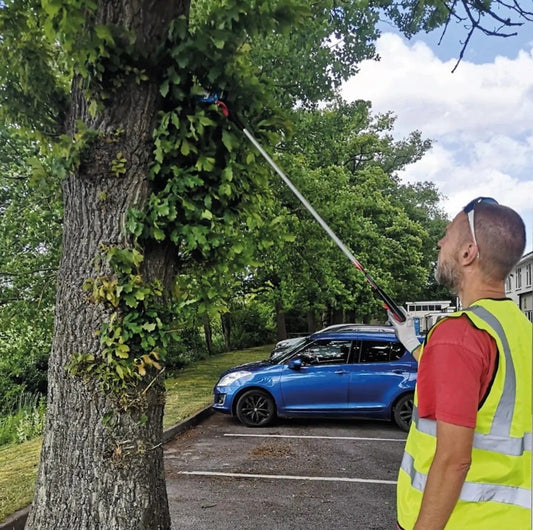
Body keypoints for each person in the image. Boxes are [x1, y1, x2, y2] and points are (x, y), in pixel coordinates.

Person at [389, 197, 532, 530]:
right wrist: (412, 343)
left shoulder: (459, 333)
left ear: (468, 252)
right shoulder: (520, 330)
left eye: (448, 234)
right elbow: (476, 385)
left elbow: (454, 460)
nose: (439, 242)